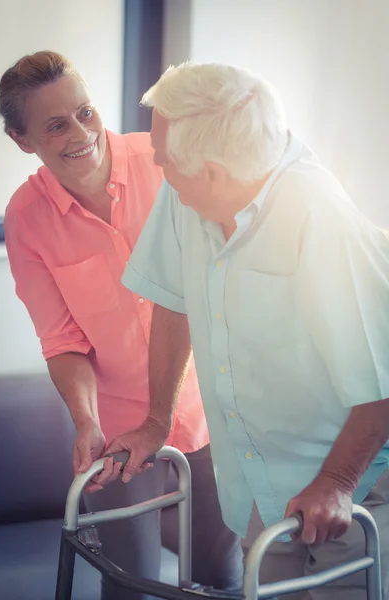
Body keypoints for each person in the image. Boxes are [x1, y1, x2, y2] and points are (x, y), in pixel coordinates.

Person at [119, 62, 389, 600]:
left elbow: (384, 378)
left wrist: (335, 483)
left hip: (350, 488)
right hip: (257, 484)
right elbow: (174, 303)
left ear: (213, 172)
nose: (157, 164)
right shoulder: (184, 193)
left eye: (165, 158)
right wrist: (156, 421)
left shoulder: (321, 217)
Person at [0, 52, 243, 600]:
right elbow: (63, 341)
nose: (82, 133)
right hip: (118, 434)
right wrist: (85, 421)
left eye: (85, 112)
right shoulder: (26, 218)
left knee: (218, 579)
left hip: (214, 413)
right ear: (22, 140)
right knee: (129, 585)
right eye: (56, 125)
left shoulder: (164, 164)